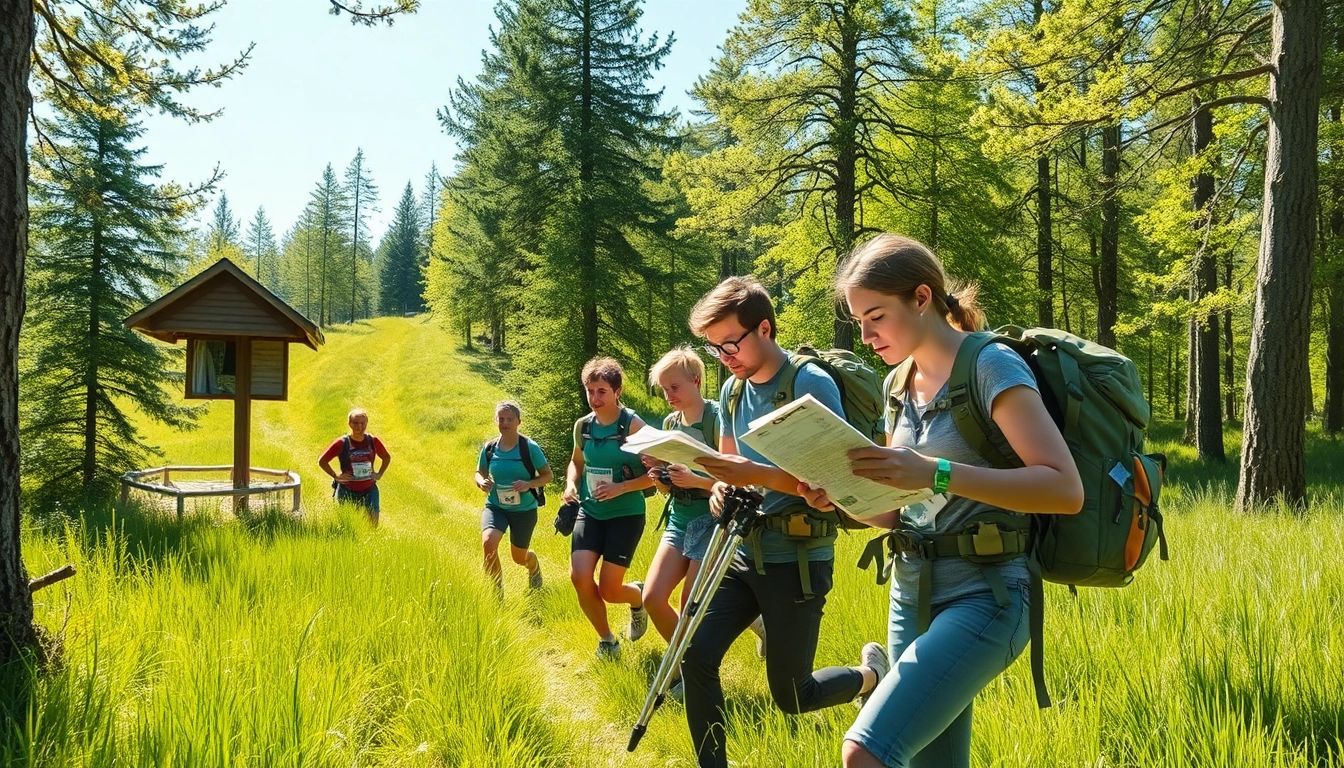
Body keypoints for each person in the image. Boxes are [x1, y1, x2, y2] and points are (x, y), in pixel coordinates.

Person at [804, 234, 1083, 768]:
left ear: (923, 298)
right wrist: (840, 497)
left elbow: (1063, 489)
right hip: (911, 595)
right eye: (859, 320)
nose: (864, 335)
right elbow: (894, 511)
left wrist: (938, 473)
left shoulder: (990, 366)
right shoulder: (896, 384)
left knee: (865, 752)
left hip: (988, 596)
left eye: (876, 316)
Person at [679, 277, 887, 768]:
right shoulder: (731, 391)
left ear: (765, 328)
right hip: (743, 551)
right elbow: (731, 465)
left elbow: (835, 478)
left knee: (792, 696)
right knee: (696, 655)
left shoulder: (806, 382)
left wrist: (755, 475)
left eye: (730, 343)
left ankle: (871, 676)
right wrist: (719, 487)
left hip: (797, 555)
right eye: (714, 349)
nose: (724, 357)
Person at [562, 356, 656, 659]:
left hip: (626, 514)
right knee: (579, 576)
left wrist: (621, 487)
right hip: (590, 511)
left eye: (601, 391)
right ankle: (607, 641)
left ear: (617, 391)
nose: (594, 398)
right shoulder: (584, 426)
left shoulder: (633, 425)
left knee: (609, 590)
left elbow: (657, 473)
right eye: (590, 391)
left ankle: (637, 596)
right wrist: (571, 485)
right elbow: (577, 463)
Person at [640, 347, 720, 642]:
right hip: (679, 518)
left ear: (696, 381)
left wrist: (694, 480)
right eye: (664, 389)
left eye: (674, 387)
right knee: (652, 598)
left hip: (711, 520)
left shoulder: (716, 419)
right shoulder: (670, 424)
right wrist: (660, 477)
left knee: (690, 607)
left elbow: (737, 482)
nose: (669, 395)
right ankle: (686, 665)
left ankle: (688, 673)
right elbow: (669, 486)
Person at [475, 401, 552, 597]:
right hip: (496, 506)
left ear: (519, 421)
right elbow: (480, 472)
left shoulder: (529, 448)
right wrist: (481, 481)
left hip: (524, 510)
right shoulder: (490, 448)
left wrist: (528, 484)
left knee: (519, 558)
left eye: (509, 419)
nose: (505, 423)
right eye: (501, 419)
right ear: (496, 421)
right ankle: (497, 594)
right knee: (488, 543)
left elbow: (547, 476)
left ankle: (533, 565)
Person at [318, 407, 391, 526]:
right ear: (350, 424)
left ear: (367, 423)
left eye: (362, 423)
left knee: (372, 525)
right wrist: (336, 476)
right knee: (347, 525)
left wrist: (379, 474)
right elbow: (322, 461)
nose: (359, 426)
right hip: (347, 490)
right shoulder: (341, 443)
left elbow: (386, 458)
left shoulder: (373, 441)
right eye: (356, 423)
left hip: (369, 489)